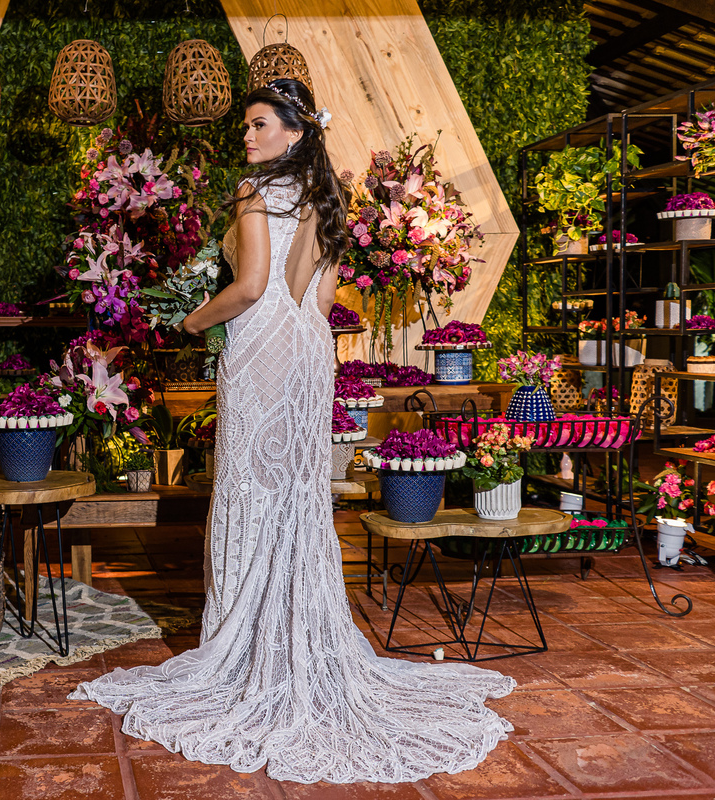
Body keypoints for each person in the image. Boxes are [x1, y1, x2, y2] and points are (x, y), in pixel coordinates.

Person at [70, 79, 515, 784]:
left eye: (258, 124)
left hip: (261, 346)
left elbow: (248, 288)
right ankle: (288, 634)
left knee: (252, 481)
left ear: (296, 131)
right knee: (297, 490)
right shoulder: (322, 201)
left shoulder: (254, 193)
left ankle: (247, 647)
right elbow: (324, 295)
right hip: (309, 347)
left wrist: (188, 320)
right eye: (246, 126)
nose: (246, 137)